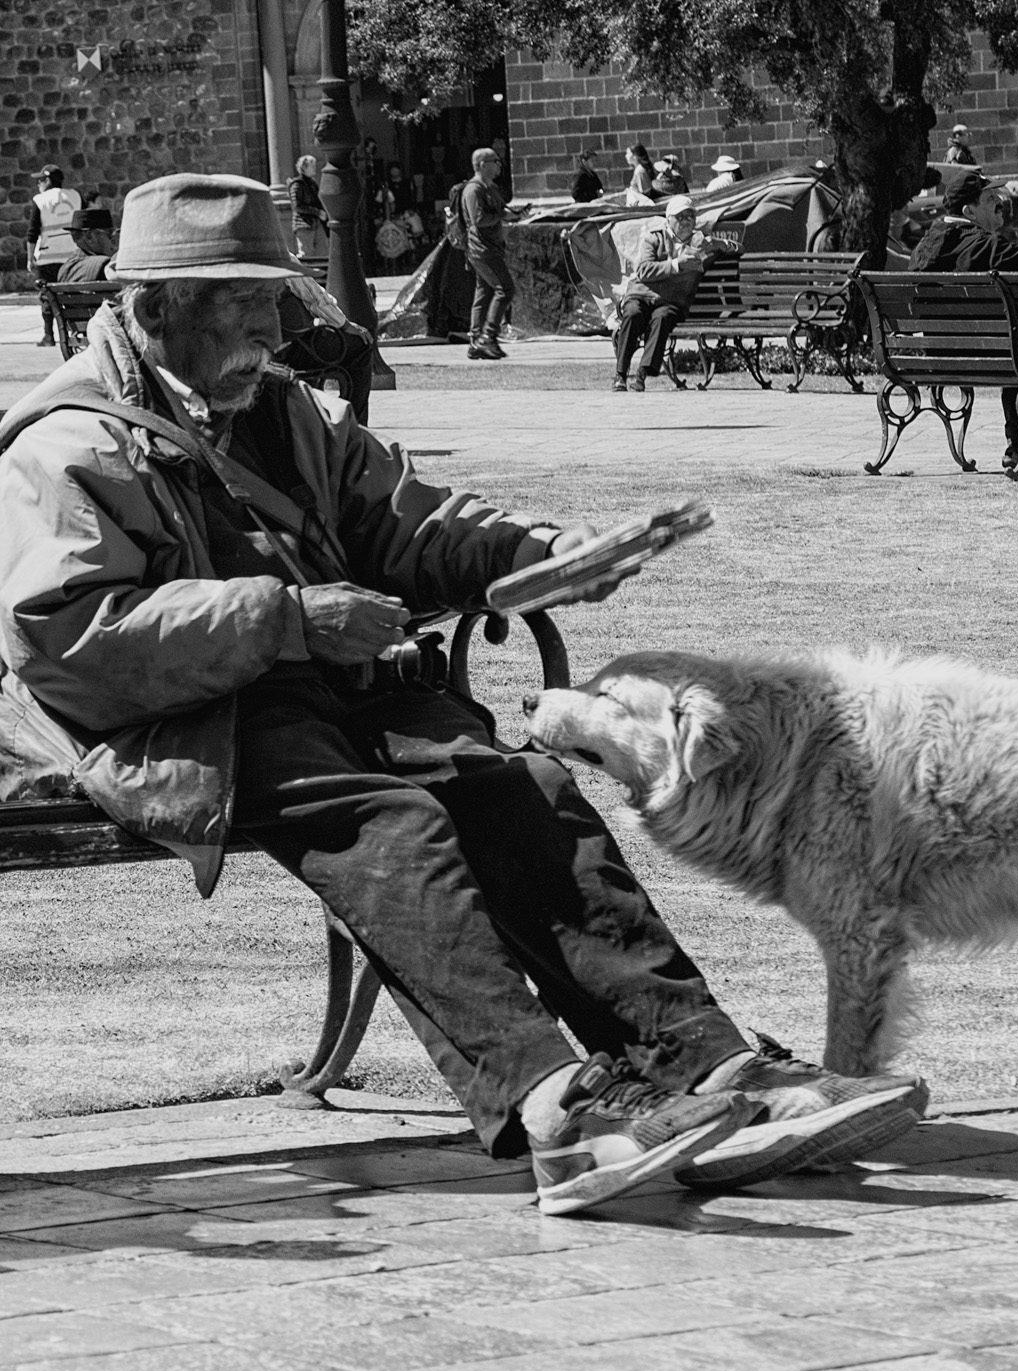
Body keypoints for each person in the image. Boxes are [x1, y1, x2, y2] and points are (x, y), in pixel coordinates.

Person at [0, 172, 926, 1216]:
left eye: (275, 297)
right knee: (387, 826)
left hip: (331, 690)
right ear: (158, 305)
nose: (274, 325)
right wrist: (289, 619)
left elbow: (406, 520)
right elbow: (68, 637)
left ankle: (705, 1065)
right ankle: (558, 1110)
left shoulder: (279, 411)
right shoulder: (66, 445)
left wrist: (538, 556)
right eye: (246, 301)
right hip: (185, 723)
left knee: (522, 787)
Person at [908, 167, 1018, 477]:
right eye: (989, 199)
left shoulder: (925, 246)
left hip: (937, 356)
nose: (1000, 202)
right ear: (969, 211)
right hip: (992, 355)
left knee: (1012, 348)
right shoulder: (985, 247)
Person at [613, 194, 734, 392]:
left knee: (662, 318)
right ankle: (620, 374)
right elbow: (644, 270)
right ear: (669, 219)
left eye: (690, 216)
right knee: (633, 314)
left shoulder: (702, 243)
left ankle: (642, 374)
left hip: (671, 302)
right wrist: (677, 265)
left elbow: (739, 248)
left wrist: (723, 244)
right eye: (680, 217)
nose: (686, 221)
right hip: (641, 295)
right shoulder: (654, 238)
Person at [460, 146, 523, 361]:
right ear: (481, 165)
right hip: (482, 249)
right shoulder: (473, 190)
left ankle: (476, 341)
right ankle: (487, 337)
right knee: (505, 289)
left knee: (485, 292)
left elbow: (500, 210)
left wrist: (514, 215)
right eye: (495, 161)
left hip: (492, 247)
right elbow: (478, 219)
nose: (499, 165)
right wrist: (501, 216)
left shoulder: (491, 187)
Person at [27, 164, 81, 347]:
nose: (38, 184)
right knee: (72, 295)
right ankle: (76, 333)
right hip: (72, 257)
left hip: (48, 257)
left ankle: (49, 335)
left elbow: (33, 232)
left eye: (41, 180)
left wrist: (30, 258)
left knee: (47, 297)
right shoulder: (75, 196)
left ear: (48, 180)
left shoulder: (40, 200)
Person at [56, 208, 117, 282]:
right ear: (89, 237)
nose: (115, 239)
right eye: (109, 233)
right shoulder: (104, 265)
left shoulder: (66, 268)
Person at [287, 155, 330, 260]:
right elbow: (297, 206)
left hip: (317, 224)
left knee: (324, 254)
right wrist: (317, 212)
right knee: (307, 256)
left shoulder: (313, 183)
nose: (315, 168)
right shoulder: (297, 184)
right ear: (304, 167)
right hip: (303, 225)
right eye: (312, 166)